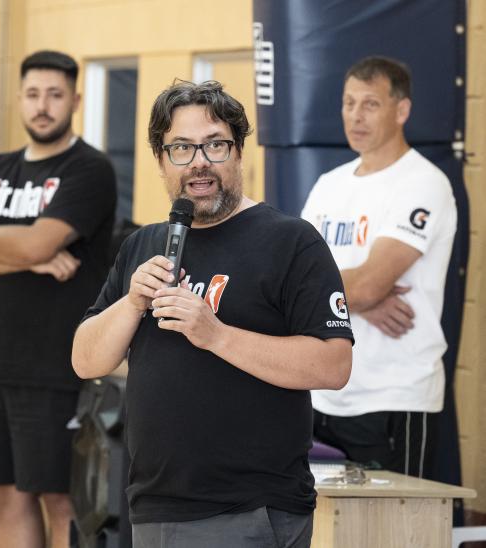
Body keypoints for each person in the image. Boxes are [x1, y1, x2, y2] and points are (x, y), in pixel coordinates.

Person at [72, 80, 353, 548]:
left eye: (215, 145)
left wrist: (217, 334)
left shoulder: (291, 242)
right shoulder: (143, 244)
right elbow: (85, 360)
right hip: (154, 505)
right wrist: (131, 302)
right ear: (161, 160)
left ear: (239, 153)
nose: (199, 161)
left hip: (250, 508)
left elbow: (333, 364)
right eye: (181, 147)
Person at [0, 50, 117, 548]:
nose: (43, 106)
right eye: (34, 94)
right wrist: (26, 255)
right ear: (19, 99)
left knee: (60, 500)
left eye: (56, 95)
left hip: (54, 368)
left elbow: (27, 243)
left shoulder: (90, 169)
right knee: (7, 497)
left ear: (75, 100)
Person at [300, 56, 456, 478]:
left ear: (401, 110)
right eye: (348, 103)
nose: (355, 115)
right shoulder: (329, 184)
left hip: (393, 397)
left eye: (369, 104)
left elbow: (368, 284)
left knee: (396, 533)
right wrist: (362, 304)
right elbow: (290, 281)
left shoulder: (423, 183)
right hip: (323, 394)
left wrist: (356, 296)